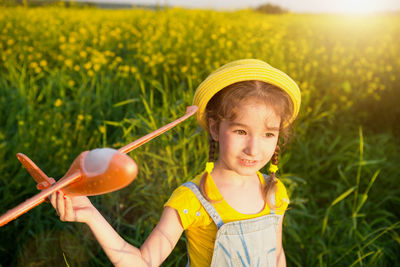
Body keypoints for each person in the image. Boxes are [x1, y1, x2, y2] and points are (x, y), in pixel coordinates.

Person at [49, 59, 301, 267]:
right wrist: (91, 215)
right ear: (215, 128)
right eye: (240, 132)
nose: (253, 149)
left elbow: (276, 256)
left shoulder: (274, 192)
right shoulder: (191, 201)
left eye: (269, 134)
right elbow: (144, 263)